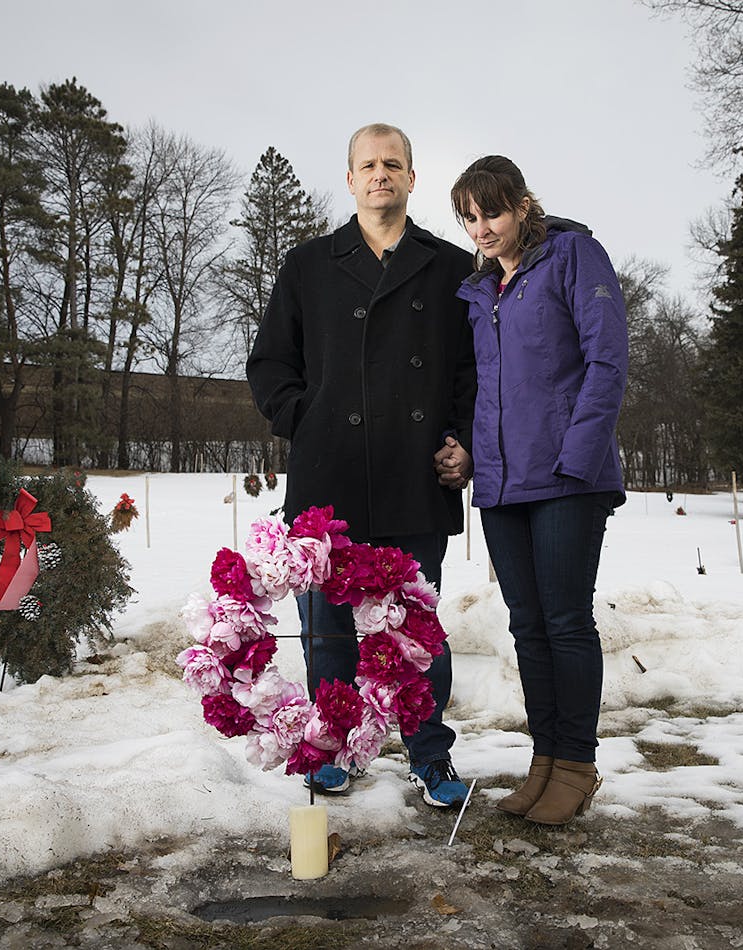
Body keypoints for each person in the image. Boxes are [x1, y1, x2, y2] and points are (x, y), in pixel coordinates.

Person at [247, 123, 476, 808]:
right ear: (350, 180)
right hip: (329, 482)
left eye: (393, 164)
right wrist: (308, 424)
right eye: (368, 164)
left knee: (414, 634)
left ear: (412, 178)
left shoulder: (449, 268)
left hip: (416, 477)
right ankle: (333, 751)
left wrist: (463, 441)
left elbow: (472, 372)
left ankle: (430, 757)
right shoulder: (309, 265)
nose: (381, 174)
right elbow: (268, 365)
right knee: (329, 631)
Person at [450, 155, 627, 825]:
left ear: (522, 206)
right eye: (469, 217)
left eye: (491, 211)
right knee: (527, 628)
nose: (481, 228)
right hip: (502, 484)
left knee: (564, 621)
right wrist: (471, 456)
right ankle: (545, 761)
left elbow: (607, 360)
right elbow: (486, 391)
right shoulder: (480, 293)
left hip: (565, 478)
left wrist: (578, 459)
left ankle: (577, 766)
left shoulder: (577, 256)